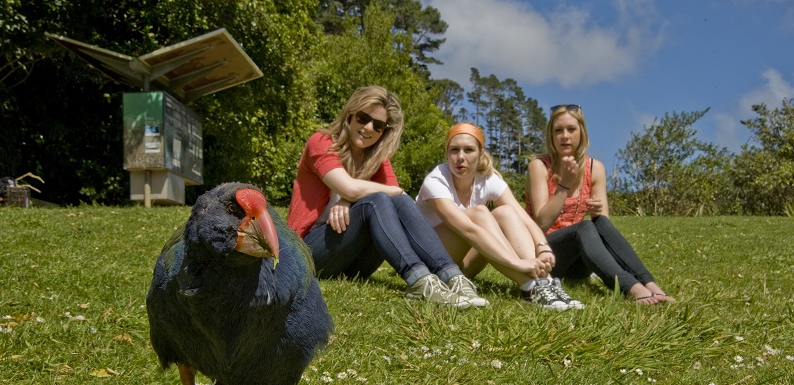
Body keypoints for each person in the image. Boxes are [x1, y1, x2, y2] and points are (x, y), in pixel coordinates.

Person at [287, 86, 488, 308]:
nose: (368, 128)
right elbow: (352, 188)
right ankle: (419, 281)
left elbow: (394, 200)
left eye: (378, 125)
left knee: (396, 201)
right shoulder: (322, 143)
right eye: (363, 118)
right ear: (350, 115)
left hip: (355, 262)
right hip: (309, 253)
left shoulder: (376, 157)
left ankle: (452, 276)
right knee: (379, 200)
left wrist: (348, 200)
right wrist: (355, 195)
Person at [415, 123, 583, 310]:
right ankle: (529, 285)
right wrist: (517, 263)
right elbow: (467, 230)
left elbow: (525, 220)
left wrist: (543, 248)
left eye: (468, 150)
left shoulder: (488, 179)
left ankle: (545, 282)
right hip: (431, 266)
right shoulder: (436, 180)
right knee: (479, 213)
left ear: (480, 154)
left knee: (506, 212)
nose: (460, 157)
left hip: (463, 266)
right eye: (454, 150)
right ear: (447, 153)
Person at [526, 104, 673, 305]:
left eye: (571, 129)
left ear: (582, 132)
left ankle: (650, 284)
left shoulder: (594, 168)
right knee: (584, 227)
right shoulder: (539, 166)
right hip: (545, 254)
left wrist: (597, 213)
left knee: (598, 224)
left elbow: (605, 229)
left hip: (579, 264)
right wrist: (564, 185)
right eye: (558, 131)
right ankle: (632, 288)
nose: (565, 136)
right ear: (551, 136)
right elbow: (541, 223)